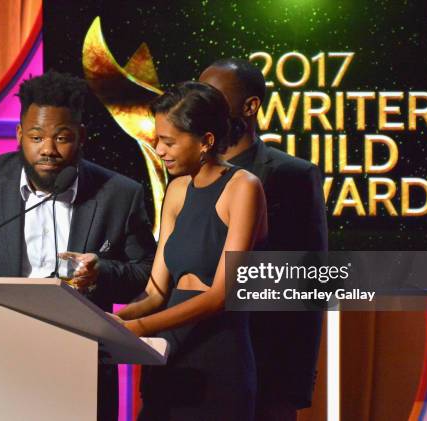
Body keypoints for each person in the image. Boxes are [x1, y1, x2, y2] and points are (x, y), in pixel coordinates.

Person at [0, 71, 157, 421]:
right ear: (20, 135)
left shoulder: (120, 194)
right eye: (36, 137)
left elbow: (145, 271)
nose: (47, 149)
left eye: (62, 138)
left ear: (81, 137)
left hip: (78, 367)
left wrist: (101, 273)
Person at [113, 81, 268, 420]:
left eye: (168, 141)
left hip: (218, 356)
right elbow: (155, 292)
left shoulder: (243, 188)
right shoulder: (177, 190)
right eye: (158, 139)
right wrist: (110, 321)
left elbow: (221, 295)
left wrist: (140, 328)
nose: (158, 149)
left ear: (205, 141)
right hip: (168, 350)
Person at [199, 58, 329, 420]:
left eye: (213, 97)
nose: (202, 106)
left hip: (263, 371)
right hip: (189, 366)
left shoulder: (292, 175)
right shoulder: (186, 172)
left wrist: (294, 385)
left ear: (250, 106)